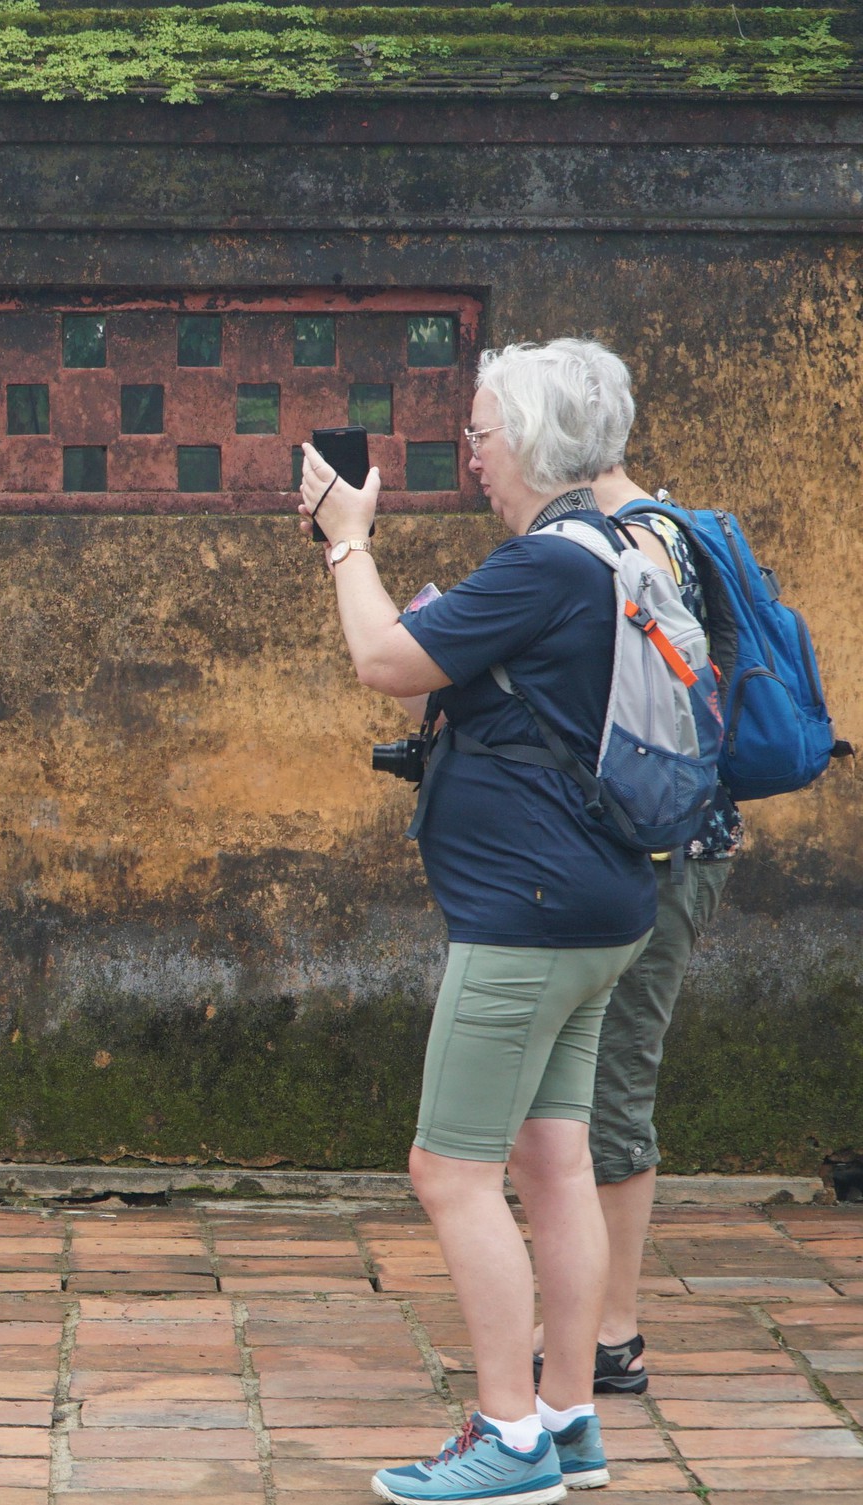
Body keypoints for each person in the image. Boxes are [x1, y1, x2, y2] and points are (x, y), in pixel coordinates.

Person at [301, 339, 657, 1505]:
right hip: (599, 900)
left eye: (482, 430)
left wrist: (346, 539)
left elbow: (379, 659)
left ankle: (506, 1440)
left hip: (527, 914)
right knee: (552, 1160)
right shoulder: (616, 549)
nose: (470, 448)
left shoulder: (543, 565)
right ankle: (567, 1418)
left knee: (447, 1170)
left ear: (540, 442)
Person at [527, 342, 740, 1395]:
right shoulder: (647, 528)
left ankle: (613, 1329)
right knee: (593, 1076)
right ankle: (595, 1316)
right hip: (649, 849)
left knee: (612, 1080)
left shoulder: (638, 540)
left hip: (658, 853)